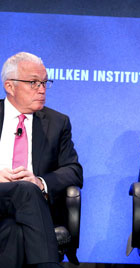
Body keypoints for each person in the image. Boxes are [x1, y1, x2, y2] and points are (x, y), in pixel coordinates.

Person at [0, 52, 83, 268]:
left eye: (45, 82)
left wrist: (40, 182)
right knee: (25, 189)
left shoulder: (57, 123)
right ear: (10, 87)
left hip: (30, 211)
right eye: (33, 83)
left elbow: (74, 170)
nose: (42, 89)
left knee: (15, 231)